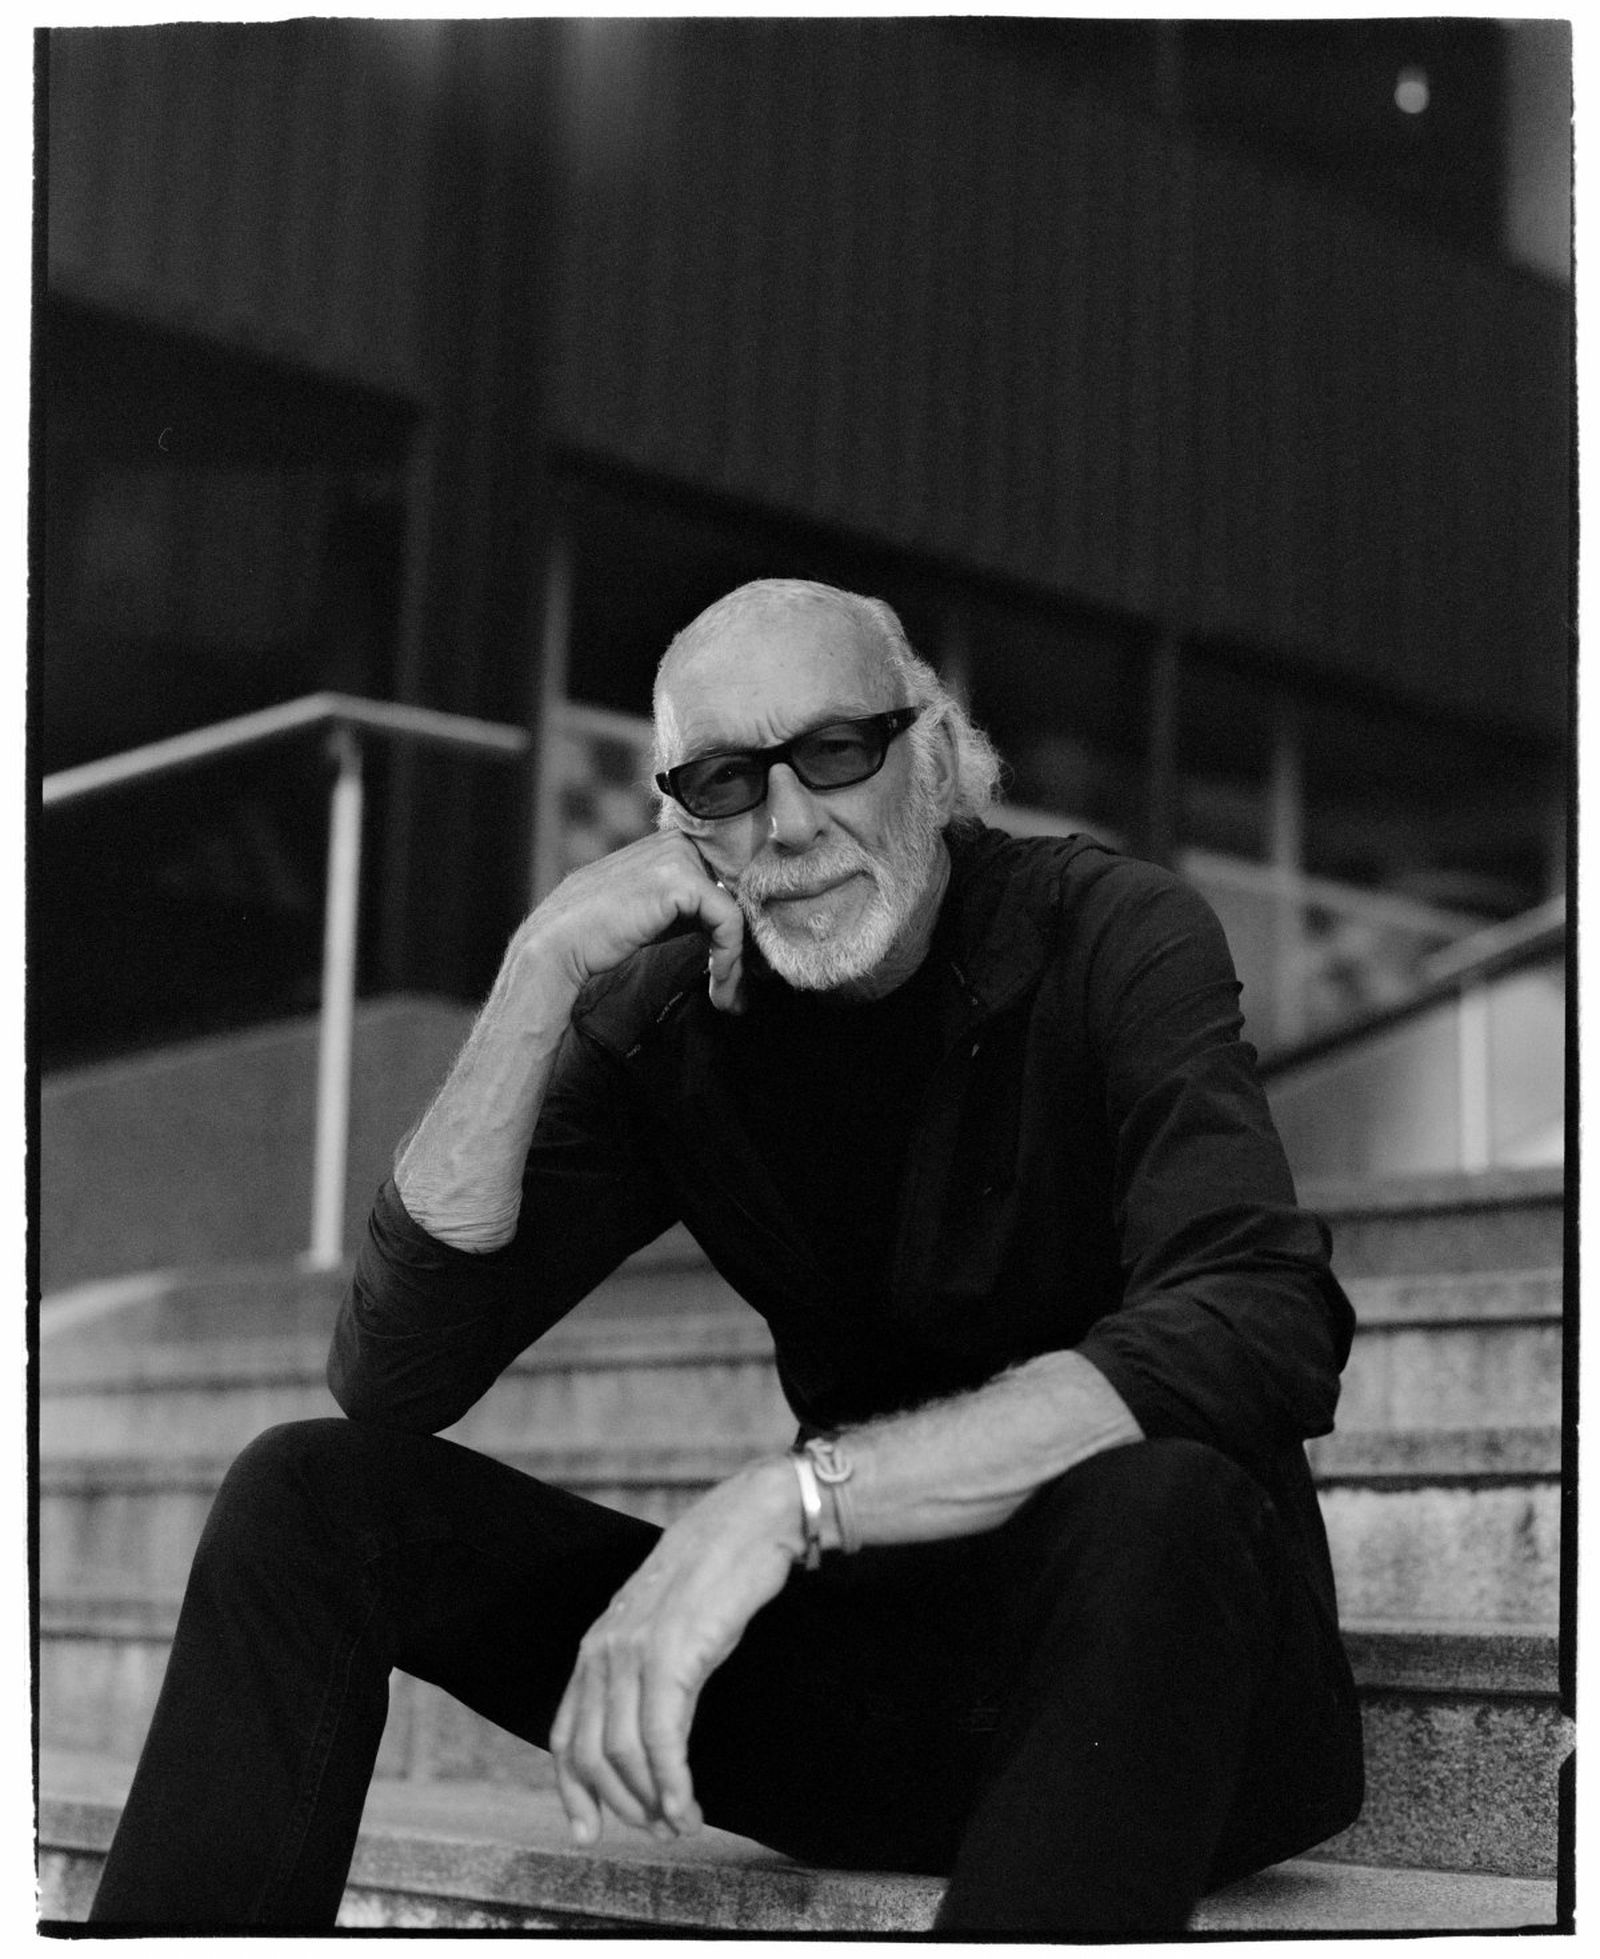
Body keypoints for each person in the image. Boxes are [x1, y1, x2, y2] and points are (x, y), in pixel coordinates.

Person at [89, 579, 1364, 1933]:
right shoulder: (681, 1016)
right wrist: (538, 972)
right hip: (878, 1708)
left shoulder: (1113, 931)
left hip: (1167, 1697)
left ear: (930, 754)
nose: (792, 822)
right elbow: (396, 1373)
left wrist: (791, 1504)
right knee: (309, 1493)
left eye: (835, 752)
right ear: (679, 818)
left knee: (1159, 1494)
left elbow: (1259, 1315)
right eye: (726, 780)